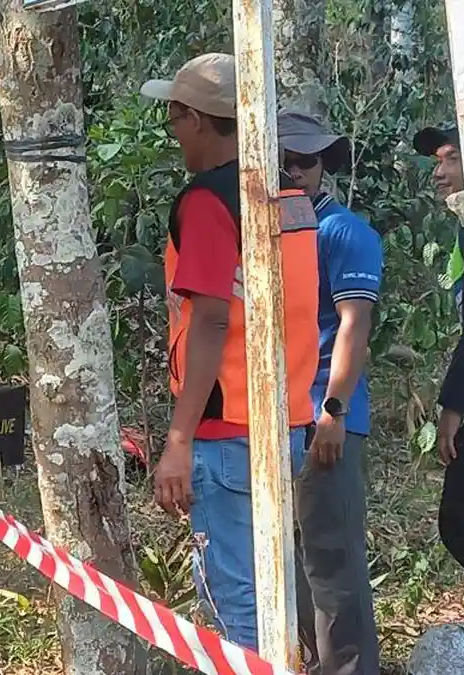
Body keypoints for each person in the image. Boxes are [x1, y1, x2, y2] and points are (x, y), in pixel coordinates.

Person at [141, 53, 321, 650]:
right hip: (286, 420)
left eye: (174, 118)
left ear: (195, 119)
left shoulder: (208, 201)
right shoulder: (288, 195)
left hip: (226, 433)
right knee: (275, 595)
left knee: (235, 605)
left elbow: (212, 318)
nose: (173, 131)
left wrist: (179, 439)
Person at [279, 112, 382, 675]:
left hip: (325, 413)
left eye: (305, 160)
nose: (294, 171)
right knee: (288, 561)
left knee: (332, 560)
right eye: (285, 160)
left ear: (324, 166)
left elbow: (353, 325)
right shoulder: (269, 228)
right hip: (277, 416)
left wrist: (334, 411)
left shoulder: (341, 231)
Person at [414, 124, 464, 578]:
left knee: (462, 520)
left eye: (450, 159)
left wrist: (455, 402)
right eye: (437, 161)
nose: (439, 172)